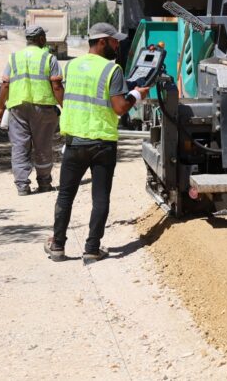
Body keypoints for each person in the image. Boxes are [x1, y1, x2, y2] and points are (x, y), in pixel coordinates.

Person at [43, 23, 149, 264]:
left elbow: (66, 92)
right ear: (102, 41)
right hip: (102, 143)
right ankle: (91, 250)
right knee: (100, 198)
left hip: (75, 141)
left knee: (65, 196)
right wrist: (136, 95)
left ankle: (57, 246)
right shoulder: (113, 70)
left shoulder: (72, 65)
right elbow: (120, 107)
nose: (117, 45)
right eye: (114, 41)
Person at [0, 26, 64, 196]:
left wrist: (0, 106)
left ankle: (22, 186)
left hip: (17, 108)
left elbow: (5, 84)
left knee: (19, 146)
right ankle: (44, 183)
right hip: (43, 107)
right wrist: (65, 106)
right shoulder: (49, 58)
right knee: (42, 145)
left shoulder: (14, 58)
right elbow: (56, 86)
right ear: (41, 39)